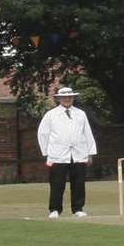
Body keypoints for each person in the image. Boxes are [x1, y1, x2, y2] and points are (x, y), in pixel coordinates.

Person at [36, 86, 97, 218]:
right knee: (57, 183)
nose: (67, 99)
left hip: (79, 153)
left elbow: (87, 134)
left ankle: (78, 208)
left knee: (79, 183)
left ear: (73, 98)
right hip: (57, 155)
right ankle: (54, 209)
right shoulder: (51, 115)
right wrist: (46, 153)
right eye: (64, 97)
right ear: (59, 99)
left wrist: (90, 153)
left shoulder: (81, 114)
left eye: (69, 97)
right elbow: (43, 134)